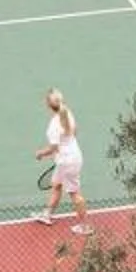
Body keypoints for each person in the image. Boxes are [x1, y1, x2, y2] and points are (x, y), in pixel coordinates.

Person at [33, 88, 91, 235]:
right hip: (71, 157)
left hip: (67, 162)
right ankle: (47, 215)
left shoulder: (54, 125)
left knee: (74, 193)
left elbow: (53, 147)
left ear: (48, 105)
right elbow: (75, 131)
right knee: (56, 185)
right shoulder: (68, 113)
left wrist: (40, 154)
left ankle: (85, 226)